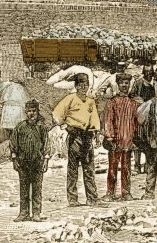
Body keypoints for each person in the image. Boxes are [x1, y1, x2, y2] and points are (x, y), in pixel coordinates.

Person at [53, 77, 103, 208]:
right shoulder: (70, 99)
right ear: (76, 86)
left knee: (89, 168)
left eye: (85, 85)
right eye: (80, 85)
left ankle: (92, 198)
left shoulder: (91, 101)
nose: (83, 87)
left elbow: (94, 119)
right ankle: (72, 199)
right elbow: (57, 114)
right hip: (75, 135)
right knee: (73, 169)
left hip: (87, 136)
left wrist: (96, 133)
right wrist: (65, 126)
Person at [9, 99, 50, 222]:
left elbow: (47, 144)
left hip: (37, 162)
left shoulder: (42, 127)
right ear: (25, 112)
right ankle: (24, 213)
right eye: (29, 111)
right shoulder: (20, 127)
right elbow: (13, 143)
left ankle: (36, 213)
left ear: (38, 112)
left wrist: (46, 160)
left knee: (37, 188)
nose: (31, 114)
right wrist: (14, 159)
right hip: (23, 163)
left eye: (34, 111)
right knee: (24, 189)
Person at [103, 75, 139, 201]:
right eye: (122, 83)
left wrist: (135, 138)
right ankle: (110, 192)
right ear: (118, 84)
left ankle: (126, 192)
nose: (124, 85)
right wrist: (110, 137)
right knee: (112, 168)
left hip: (128, 140)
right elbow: (108, 120)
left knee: (126, 168)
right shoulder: (112, 102)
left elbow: (136, 122)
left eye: (126, 83)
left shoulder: (133, 103)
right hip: (115, 141)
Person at [130, 65, 157, 175]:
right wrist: (140, 101)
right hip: (140, 114)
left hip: (151, 115)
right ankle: (137, 165)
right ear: (143, 72)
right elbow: (132, 94)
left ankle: (148, 165)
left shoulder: (155, 83)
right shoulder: (138, 83)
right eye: (146, 72)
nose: (148, 74)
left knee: (149, 141)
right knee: (138, 140)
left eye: (150, 72)